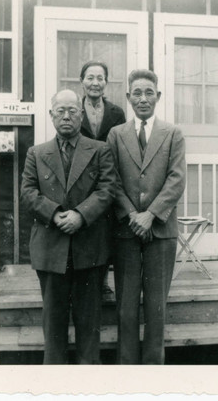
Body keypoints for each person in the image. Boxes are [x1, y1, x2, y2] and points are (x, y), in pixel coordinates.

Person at [20, 89, 116, 364]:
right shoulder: (36, 154)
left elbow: (107, 190)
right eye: (60, 111)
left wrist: (81, 216)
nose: (66, 116)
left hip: (89, 249)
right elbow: (28, 192)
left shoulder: (100, 150)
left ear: (81, 115)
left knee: (89, 325)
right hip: (51, 249)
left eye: (72, 111)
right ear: (51, 116)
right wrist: (56, 214)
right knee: (53, 325)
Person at [107, 69, 186, 364]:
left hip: (161, 231)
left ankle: (153, 368)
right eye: (137, 93)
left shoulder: (173, 134)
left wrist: (150, 215)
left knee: (156, 306)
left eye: (148, 93)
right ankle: (127, 367)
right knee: (126, 305)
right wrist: (132, 215)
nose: (143, 99)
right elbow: (111, 181)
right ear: (128, 98)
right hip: (127, 231)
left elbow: (176, 180)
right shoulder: (116, 135)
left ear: (158, 97)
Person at [79, 60, 126, 294]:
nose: (95, 83)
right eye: (90, 78)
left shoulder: (117, 113)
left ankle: (104, 282)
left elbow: (122, 146)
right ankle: (83, 282)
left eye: (100, 78)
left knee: (106, 230)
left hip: (108, 177)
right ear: (82, 81)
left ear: (106, 82)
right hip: (80, 179)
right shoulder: (74, 111)